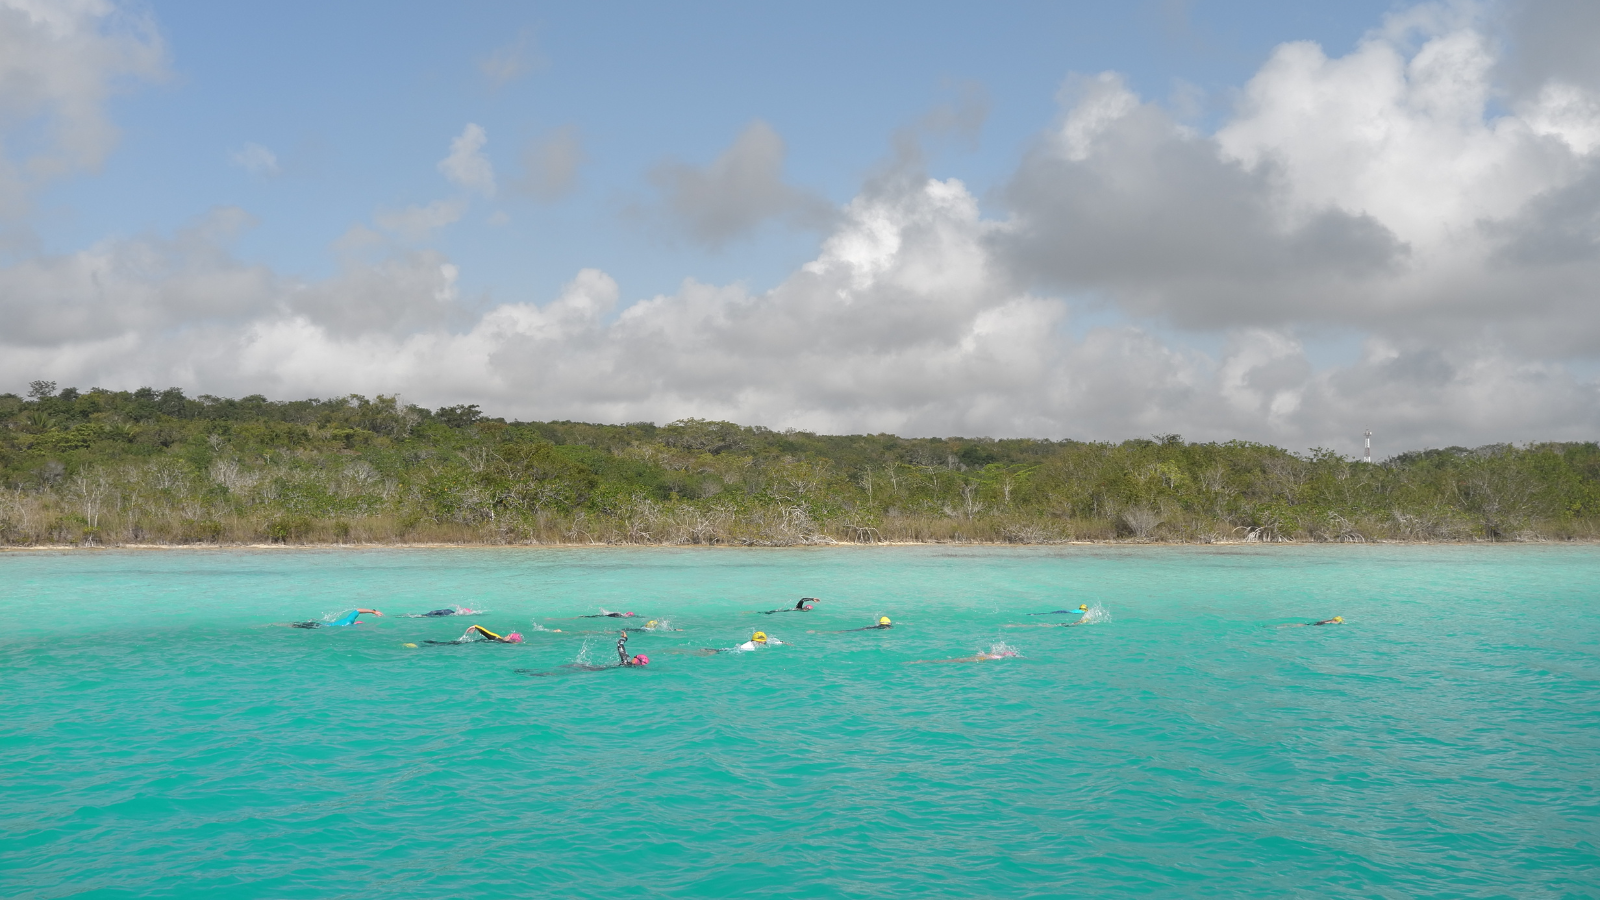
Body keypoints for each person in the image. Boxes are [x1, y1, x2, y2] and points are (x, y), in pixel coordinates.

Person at [911, 645, 1021, 664]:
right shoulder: (998, 657)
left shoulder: (995, 655)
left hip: (979, 657)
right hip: (979, 659)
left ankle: (925, 661)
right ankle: (925, 661)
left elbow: (989, 654)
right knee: (954, 661)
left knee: (955, 660)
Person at [423, 624, 524, 645]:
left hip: (465, 645)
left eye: (509, 634)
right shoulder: (504, 643)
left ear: (510, 638)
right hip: (470, 645)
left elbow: (488, 634)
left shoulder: (499, 639)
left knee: (444, 644)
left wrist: (476, 626)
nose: (507, 635)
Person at [290, 608, 382, 628]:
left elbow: (357, 611)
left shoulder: (349, 621)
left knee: (295, 625)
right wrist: (374, 611)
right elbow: (357, 610)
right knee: (293, 626)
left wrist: (374, 611)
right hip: (319, 626)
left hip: (321, 625)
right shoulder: (349, 622)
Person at [812, 617, 892, 634]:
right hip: (868, 629)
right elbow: (887, 628)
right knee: (848, 631)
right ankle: (824, 632)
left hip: (867, 628)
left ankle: (822, 632)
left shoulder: (878, 625)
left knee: (850, 630)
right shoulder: (887, 627)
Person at [1280, 616, 1344, 627]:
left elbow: (1322, 620)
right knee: (1306, 625)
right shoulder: (1332, 622)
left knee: (1306, 624)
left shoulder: (1329, 620)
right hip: (1320, 624)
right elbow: (1327, 622)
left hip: (1319, 622)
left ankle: (1287, 624)